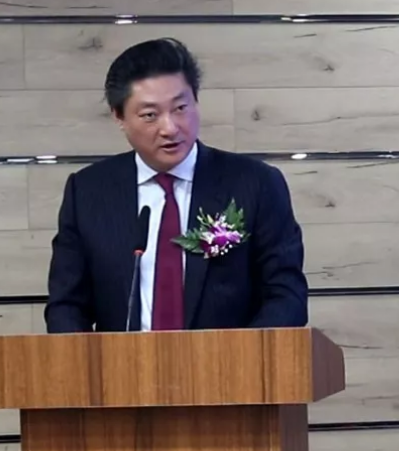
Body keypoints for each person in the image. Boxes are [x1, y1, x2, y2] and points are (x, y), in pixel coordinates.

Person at [44, 37, 308, 333]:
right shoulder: (88, 192)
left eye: (180, 108)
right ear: (119, 117)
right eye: (150, 115)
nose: (170, 128)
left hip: (230, 361)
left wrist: (245, 356)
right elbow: (67, 306)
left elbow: (286, 296)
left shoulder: (255, 184)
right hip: (123, 362)